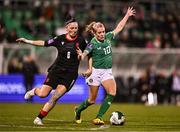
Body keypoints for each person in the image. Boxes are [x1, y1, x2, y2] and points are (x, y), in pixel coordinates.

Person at [16, 16, 88, 125]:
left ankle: (39, 118)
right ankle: (34, 91)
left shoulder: (81, 41)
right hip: (56, 71)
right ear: (67, 28)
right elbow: (44, 43)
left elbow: (85, 56)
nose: (74, 30)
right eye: (72, 28)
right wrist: (27, 41)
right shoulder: (60, 39)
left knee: (55, 97)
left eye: (76, 28)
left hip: (70, 75)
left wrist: (81, 56)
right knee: (42, 94)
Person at [75, 7, 136, 125]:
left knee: (112, 92)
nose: (102, 34)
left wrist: (127, 15)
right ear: (94, 33)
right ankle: (78, 110)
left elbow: (119, 27)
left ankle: (98, 117)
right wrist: (80, 55)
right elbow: (85, 54)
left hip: (107, 72)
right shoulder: (92, 43)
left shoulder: (108, 37)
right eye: (99, 32)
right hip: (95, 73)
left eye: (103, 31)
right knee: (92, 100)